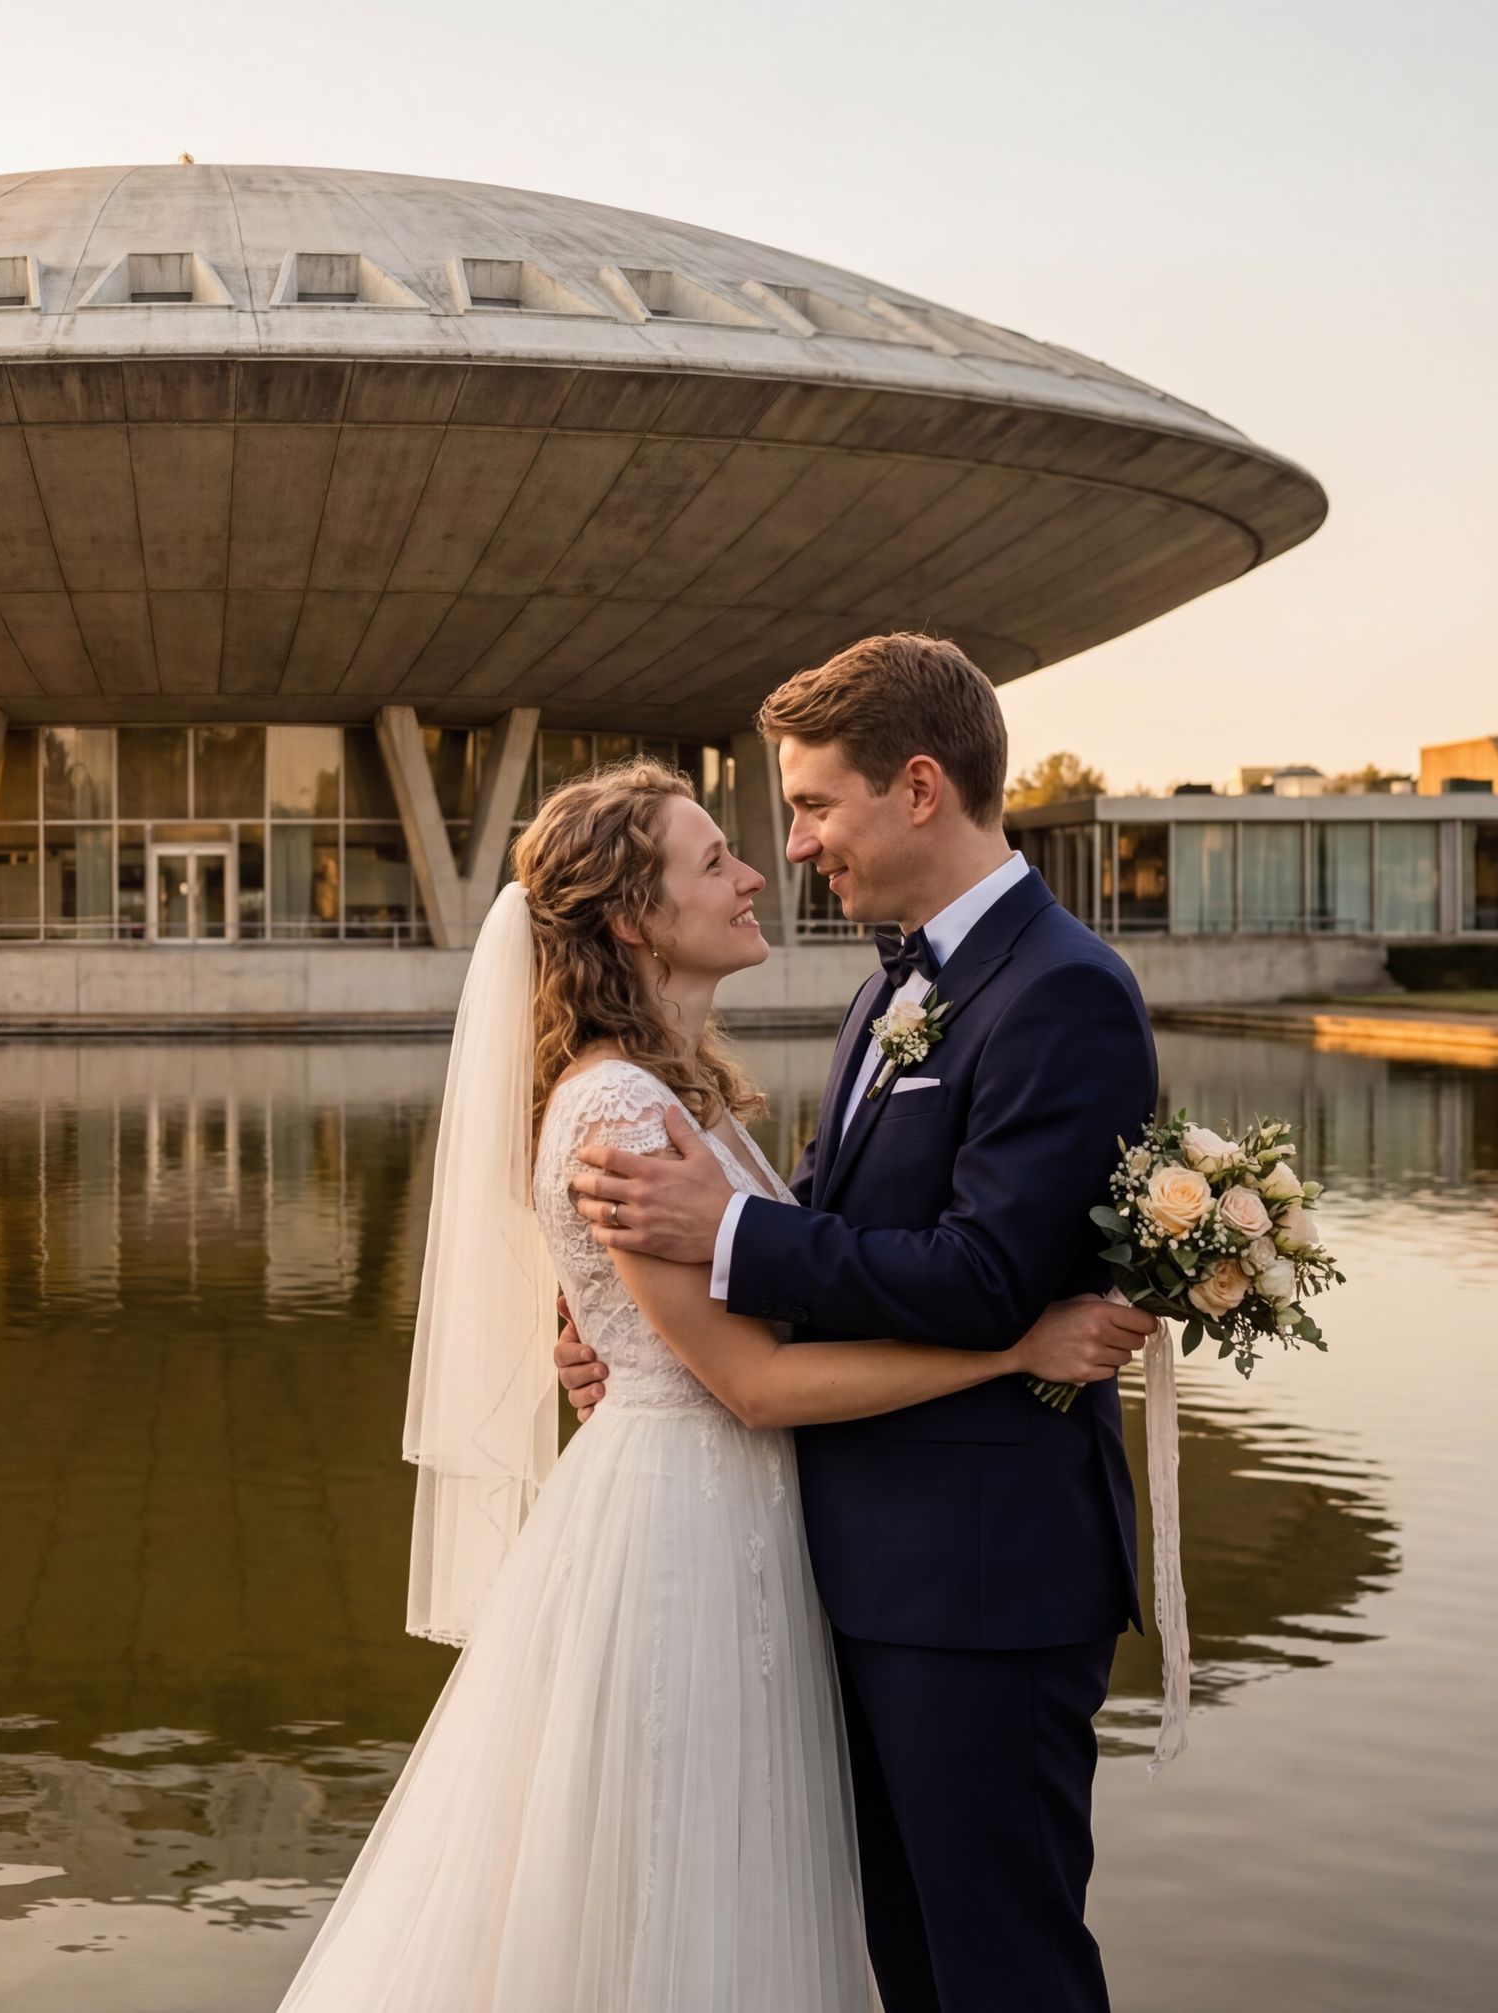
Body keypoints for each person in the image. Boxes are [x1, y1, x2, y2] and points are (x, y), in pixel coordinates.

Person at [274, 717, 1146, 2012]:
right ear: (633, 918)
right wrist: (1016, 1344)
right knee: (675, 1893)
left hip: (759, 1525)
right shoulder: (620, 1105)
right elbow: (756, 1383)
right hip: (683, 1533)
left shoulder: (690, 1086)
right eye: (717, 857)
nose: (759, 872)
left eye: (772, 831)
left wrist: (617, 1332)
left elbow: (787, 1263)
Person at [558, 634, 1157, 2011]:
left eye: (816, 802)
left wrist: (730, 1233)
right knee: (912, 1961)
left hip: (984, 1583)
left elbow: (987, 1275)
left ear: (922, 788)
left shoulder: (1063, 991)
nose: (798, 840)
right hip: (865, 1569)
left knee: (1003, 1968)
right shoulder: (892, 987)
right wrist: (638, 1323)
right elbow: (844, 1225)